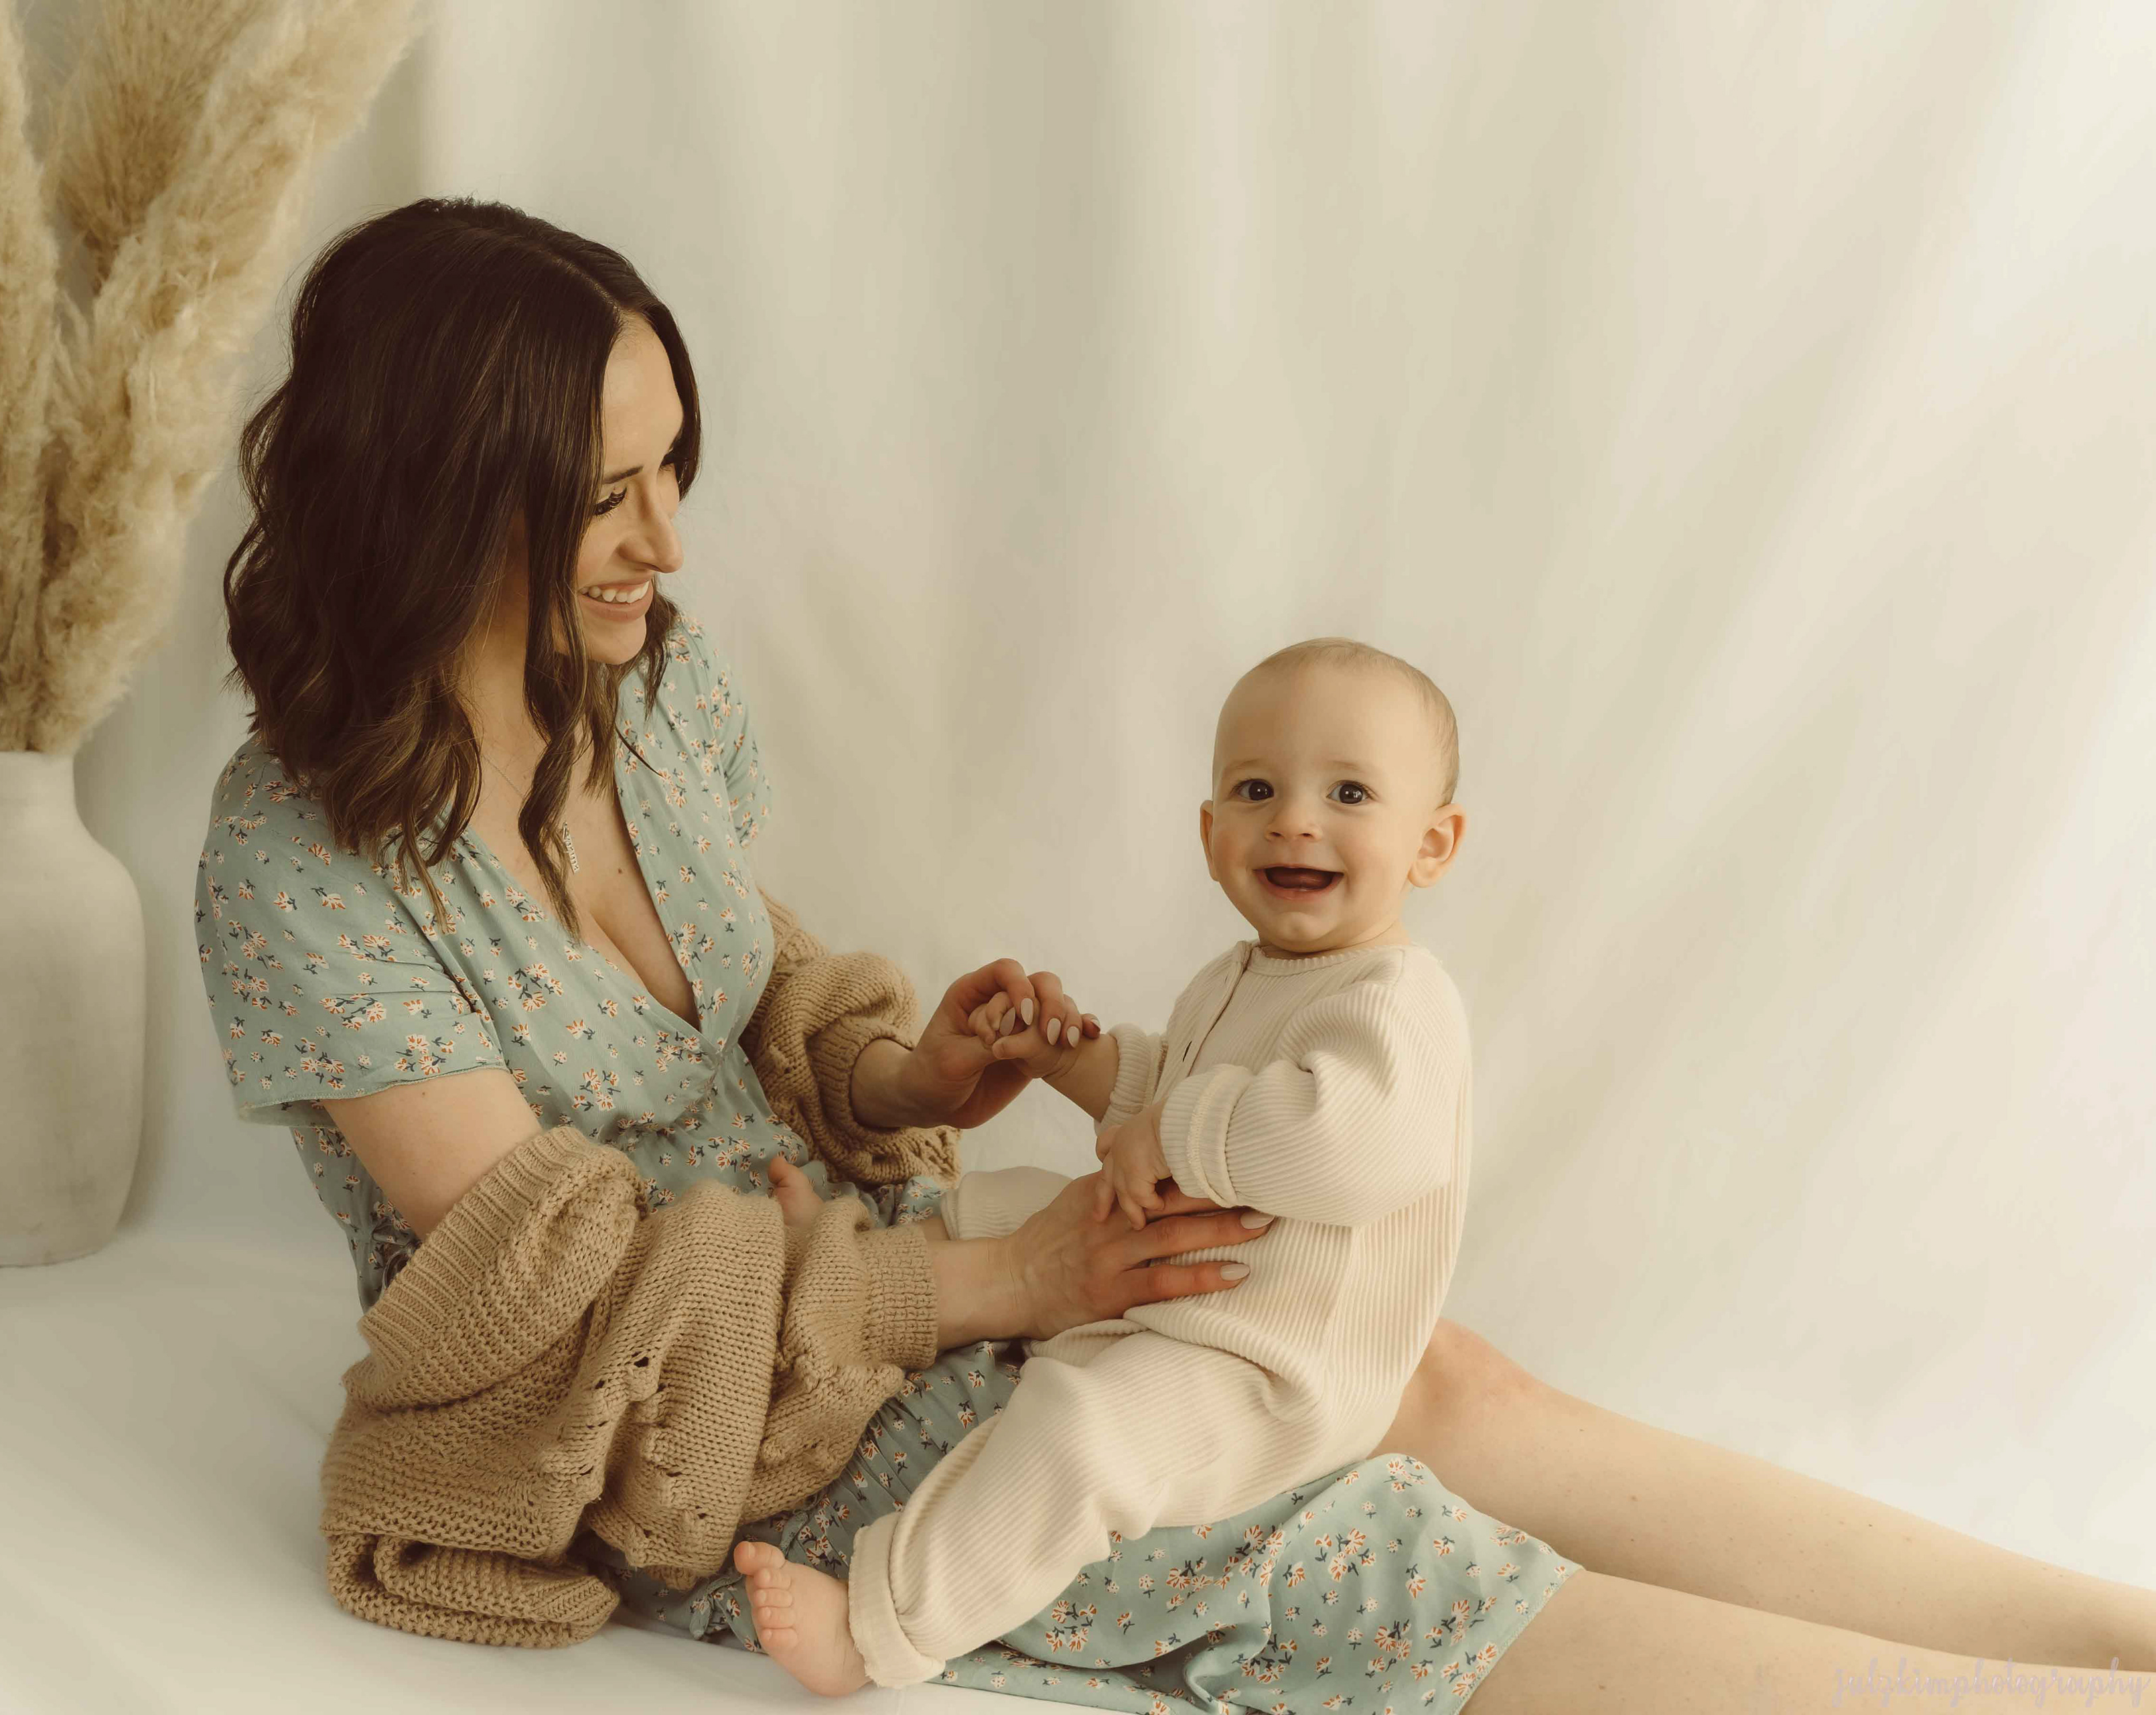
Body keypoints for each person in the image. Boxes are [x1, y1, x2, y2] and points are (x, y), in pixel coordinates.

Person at [191, 195, 2156, 1712]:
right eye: (605, 495)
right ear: (436, 493)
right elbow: (565, 1294)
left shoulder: (645, 689)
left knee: (1413, 1372)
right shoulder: (299, 867)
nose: (670, 541)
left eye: (674, 467)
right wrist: (1003, 1281)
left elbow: (747, 996)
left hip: (879, 1263)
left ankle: (2116, 1631)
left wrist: (908, 1076)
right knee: (1354, 1549)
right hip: (698, 1432)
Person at [743, 639, 1492, 1696]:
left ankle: (881, 1629)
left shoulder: (1399, 1000)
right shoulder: (1242, 974)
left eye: (1350, 793)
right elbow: (1164, 1088)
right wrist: (1064, 1058)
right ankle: (842, 1261)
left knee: (1079, 1434)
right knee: (1000, 1199)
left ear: (1433, 843)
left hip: (1261, 1369)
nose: (1295, 820)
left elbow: (1350, 1142)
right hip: (1191, 1287)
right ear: (1210, 835)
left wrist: (1177, 1131)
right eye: (1258, 790)